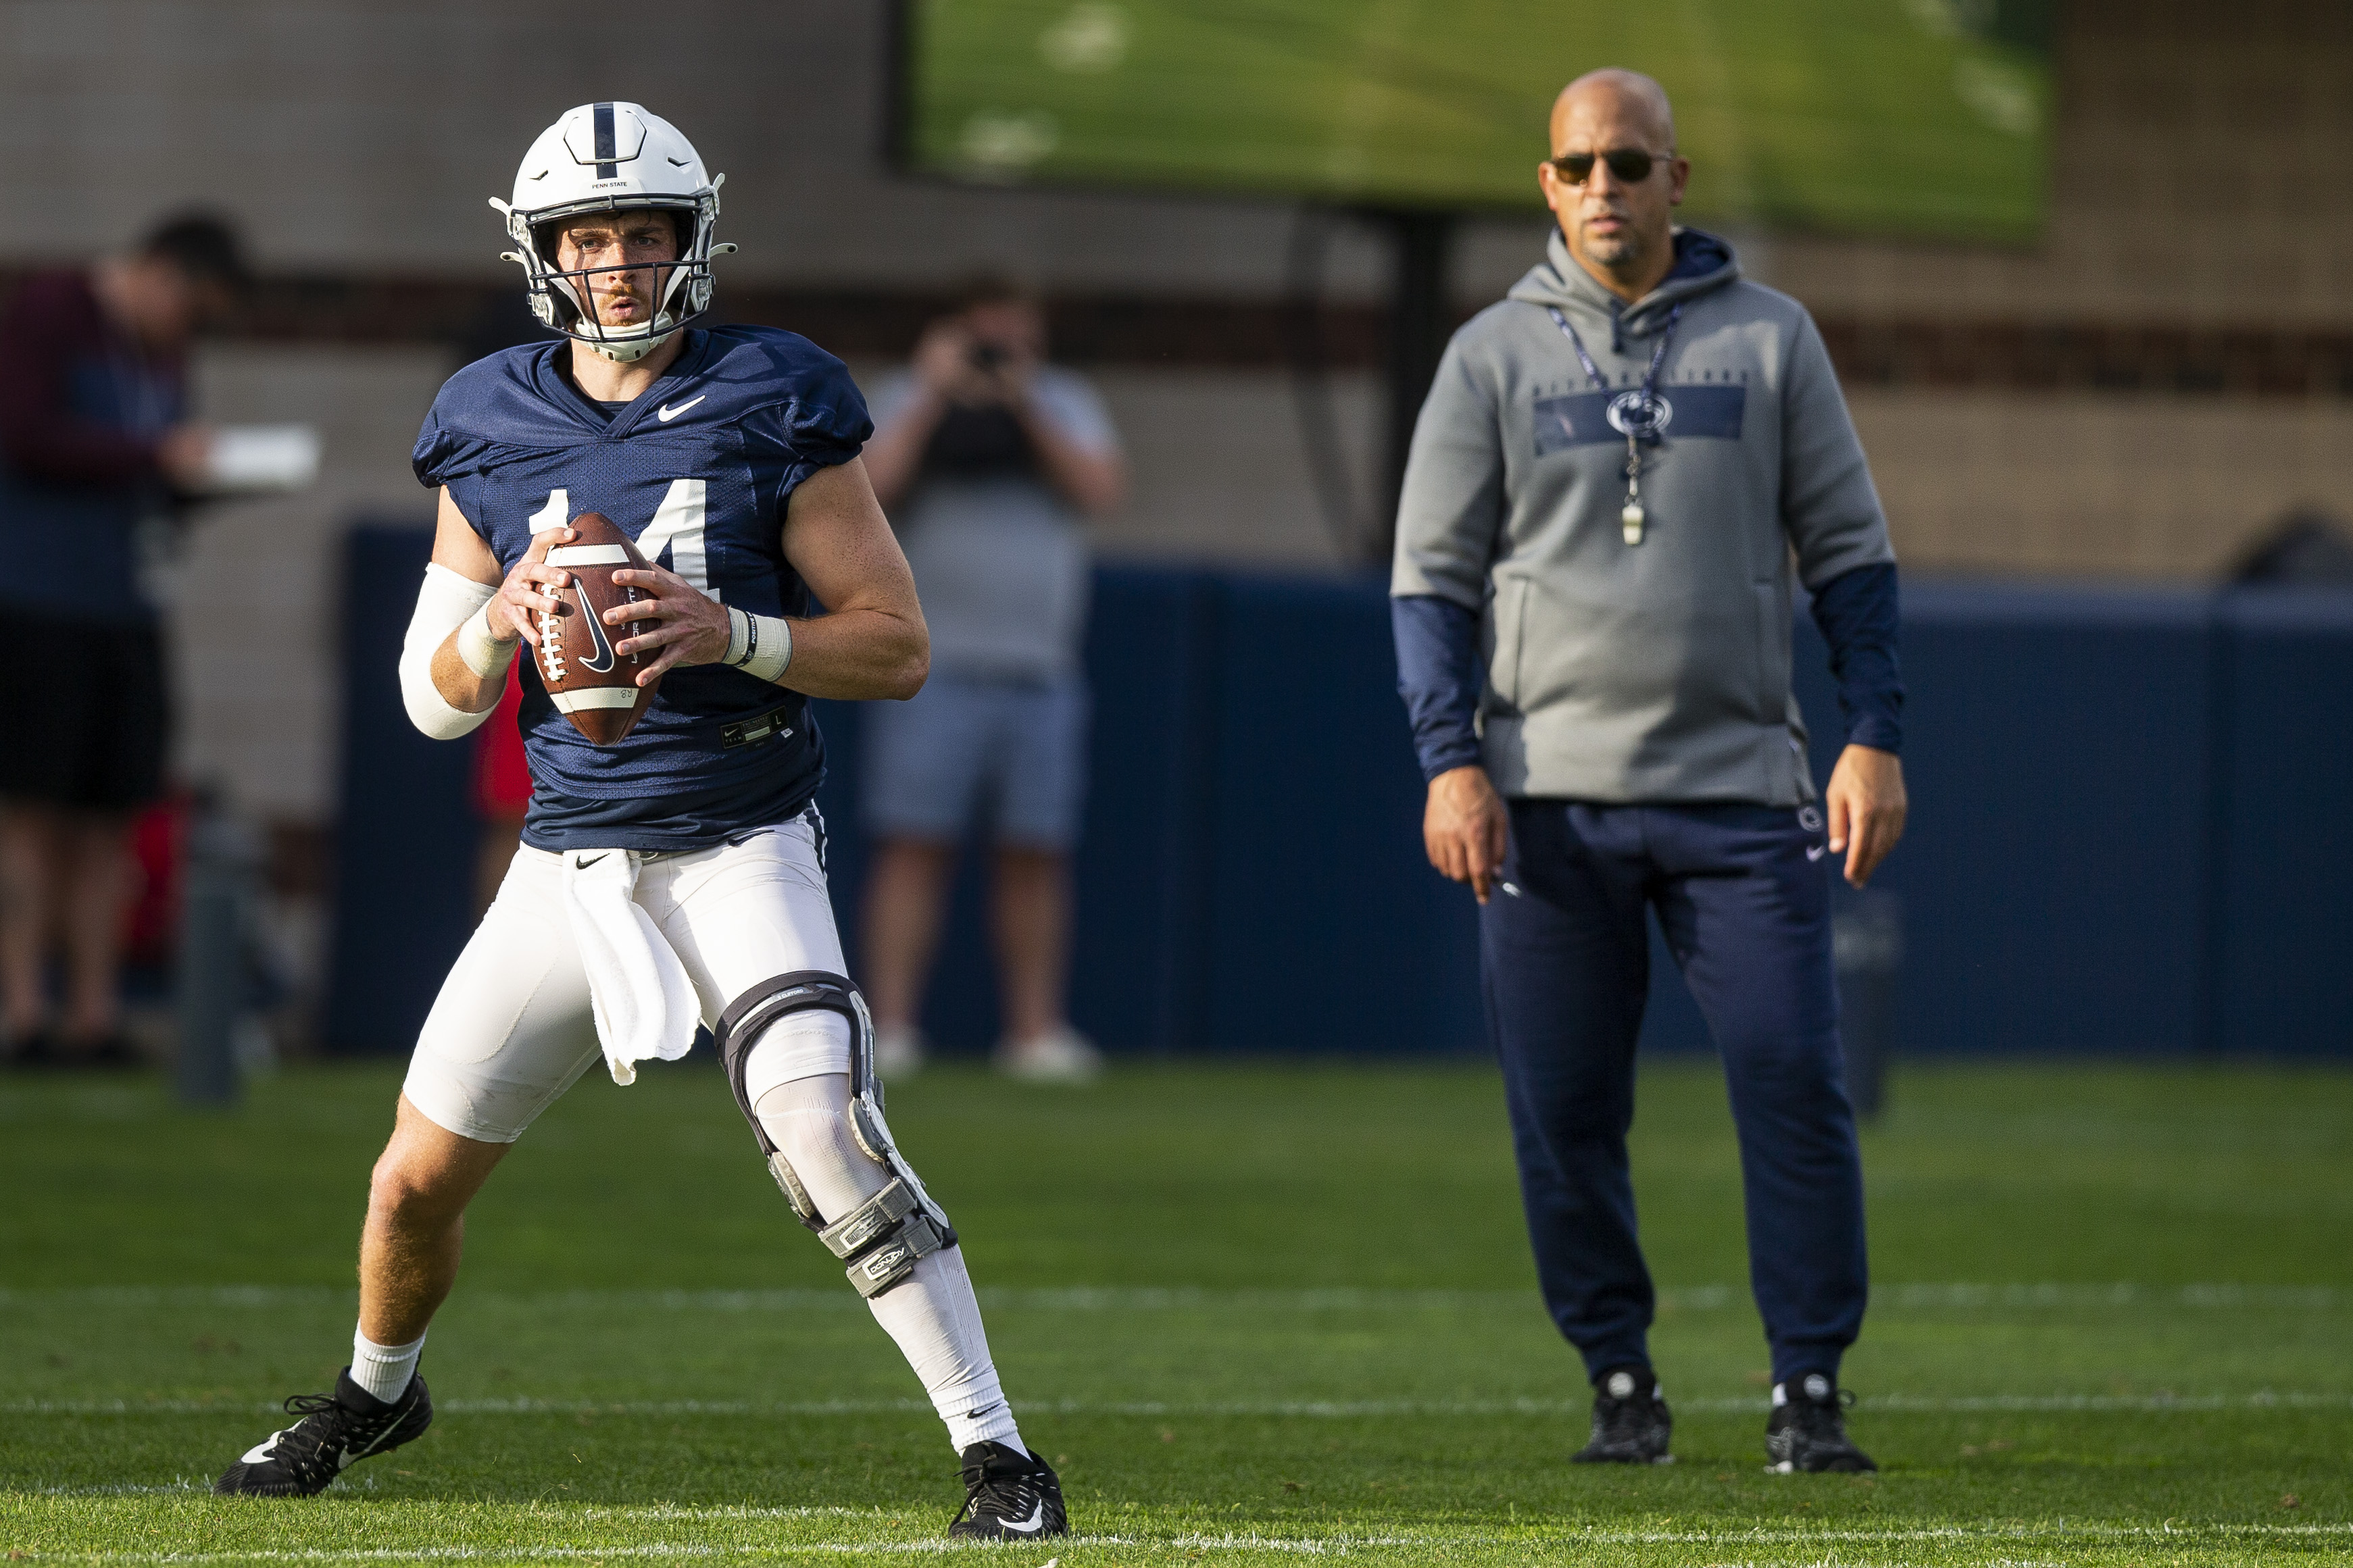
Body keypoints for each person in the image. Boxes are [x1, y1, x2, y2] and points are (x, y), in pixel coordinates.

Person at [209, 103, 1068, 1540]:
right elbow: (431, 700)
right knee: (409, 1183)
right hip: (567, 860)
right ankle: (376, 1388)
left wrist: (732, 627)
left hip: (737, 838)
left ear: (693, 239)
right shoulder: (487, 412)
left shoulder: (776, 392)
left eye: (644, 232)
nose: (616, 262)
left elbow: (895, 644)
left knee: (826, 1131)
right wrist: (503, 616)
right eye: (589, 236)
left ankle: (997, 1447)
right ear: (544, 250)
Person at [1390, 70, 1908, 1473]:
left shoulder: (1774, 339)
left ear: (1677, 178)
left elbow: (1851, 554)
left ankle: (1809, 1387)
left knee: (1793, 1080)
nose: (1604, 187)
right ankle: (1619, 1375)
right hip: (1545, 802)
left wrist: (1872, 729)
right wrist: (1451, 761)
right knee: (1561, 1109)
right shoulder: (1488, 354)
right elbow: (1429, 583)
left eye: (1630, 161)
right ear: (1546, 187)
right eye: (1578, 166)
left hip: (1743, 793)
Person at [856, 279, 1125, 1083]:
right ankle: (894, 1027)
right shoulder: (906, 395)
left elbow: (1099, 490)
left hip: (1039, 670)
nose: (1002, 355)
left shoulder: (1064, 401)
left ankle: (1034, 1032)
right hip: (927, 669)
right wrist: (938, 393)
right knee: (913, 846)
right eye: (988, 341)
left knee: (1035, 852)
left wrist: (1023, 401)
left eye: (1018, 341)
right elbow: (868, 488)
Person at [0, 213, 245, 1067]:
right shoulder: (52, 312)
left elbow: (147, 469)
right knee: (30, 812)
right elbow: (28, 438)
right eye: (194, 309)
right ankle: (25, 1009)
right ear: (159, 274)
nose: (192, 331)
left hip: (129, 607)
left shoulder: (164, 356)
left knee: (111, 816)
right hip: (37, 601)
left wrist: (204, 478)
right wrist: (153, 452)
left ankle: (93, 1017)